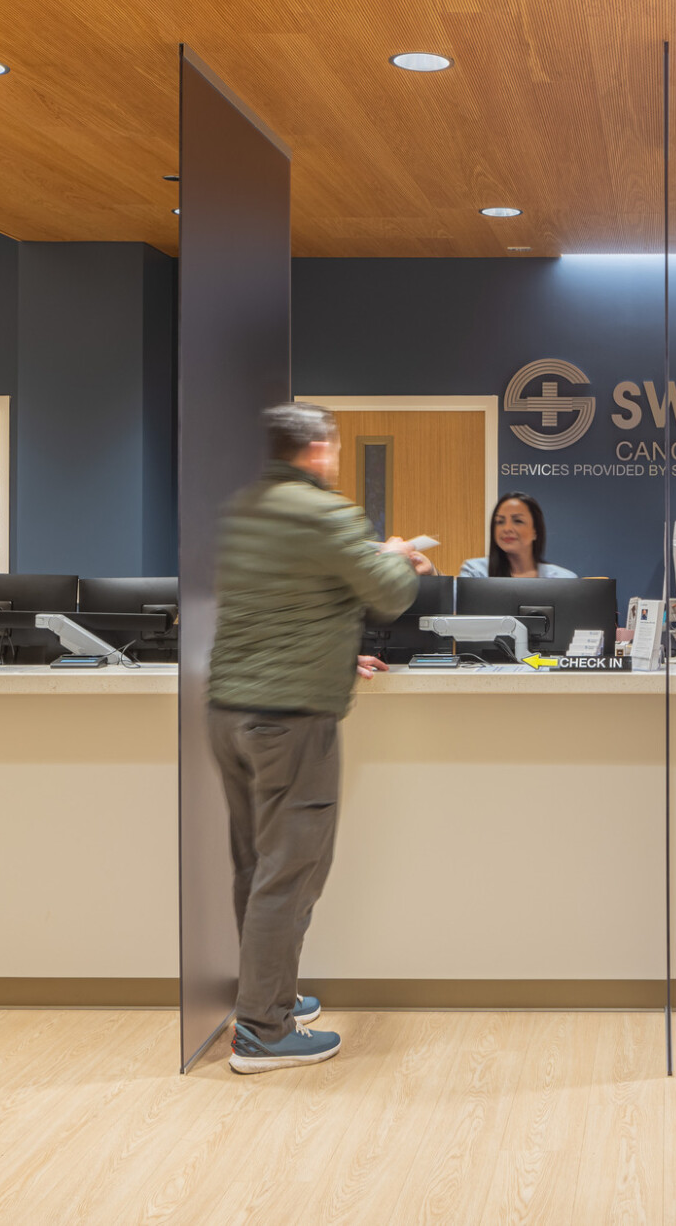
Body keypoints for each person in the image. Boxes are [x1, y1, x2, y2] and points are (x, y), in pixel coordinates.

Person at [207, 403, 432, 1074]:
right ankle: (263, 1030)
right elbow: (388, 595)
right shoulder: (324, 511)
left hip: (230, 709)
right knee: (294, 867)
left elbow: (289, 602)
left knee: (257, 865)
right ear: (320, 448)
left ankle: (269, 995)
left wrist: (340, 655)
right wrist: (393, 555)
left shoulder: (246, 507)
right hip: (290, 717)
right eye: (334, 446)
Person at [456, 492, 578, 578]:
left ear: (535, 531)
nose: (507, 528)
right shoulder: (475, 572)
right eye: (500, 521)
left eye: (518, 521)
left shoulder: (564, 579)